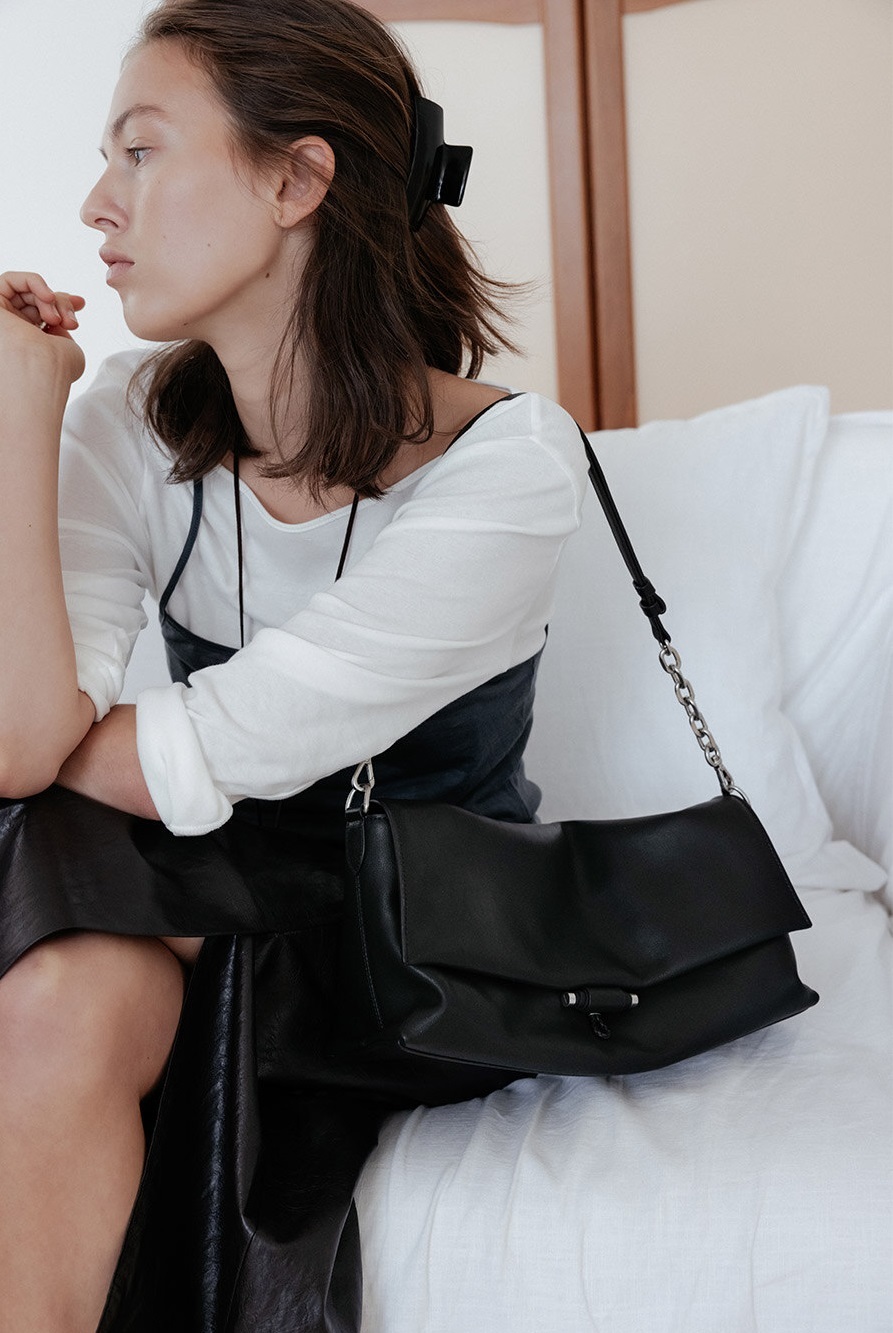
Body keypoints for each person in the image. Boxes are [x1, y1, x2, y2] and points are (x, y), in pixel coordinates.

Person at [0, 1, 587, 1328]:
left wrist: (78, 741)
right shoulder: (128, 418)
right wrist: (15, 409)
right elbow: (21, 740)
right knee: (56, 987)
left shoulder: (508, 470)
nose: (97, 204)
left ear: (295, 179)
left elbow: (144, 755)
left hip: (411, 936)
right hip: (210, 890)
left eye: (141, 151)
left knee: (50, 851)